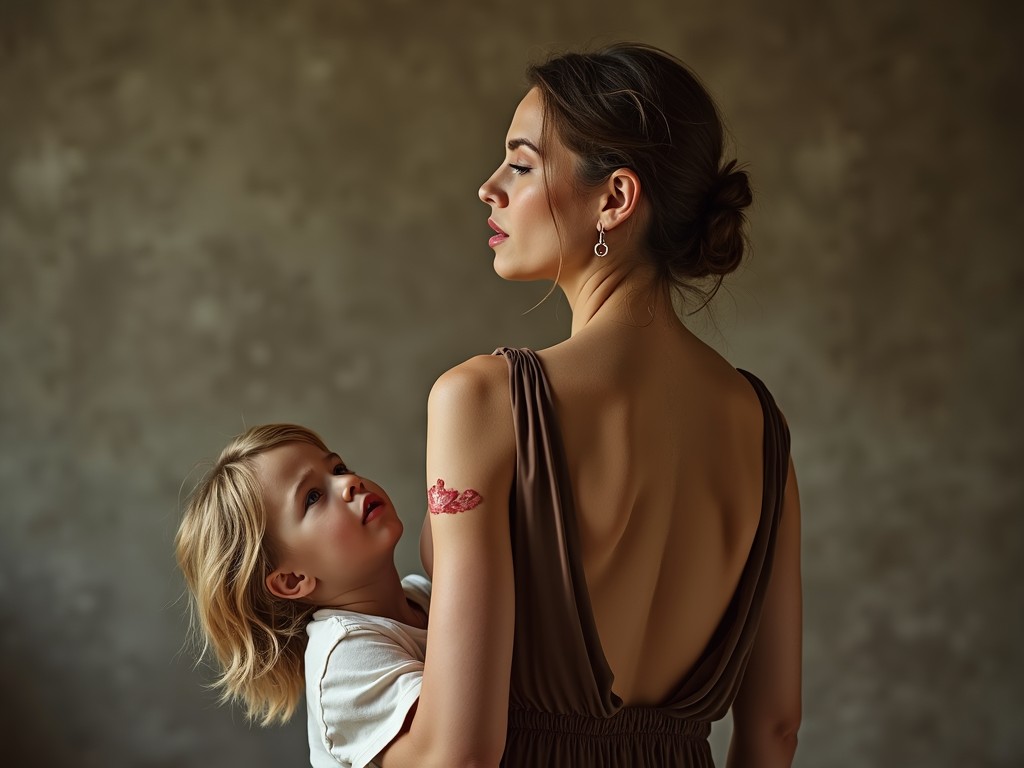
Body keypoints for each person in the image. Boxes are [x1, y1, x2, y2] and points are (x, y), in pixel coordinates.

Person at [418, 42, 802, 766]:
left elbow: (458, 756)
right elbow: (775, 728)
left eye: (522, 164)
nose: (488, 189)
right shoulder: (760, 428)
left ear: (616, 198)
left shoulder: (481, 400)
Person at [175, 423, 437, 768]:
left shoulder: (423, 594)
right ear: (293, 579)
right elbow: (446, 754)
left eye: (338, 469)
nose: (348, 483)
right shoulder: (343, 656)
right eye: (312, 497)